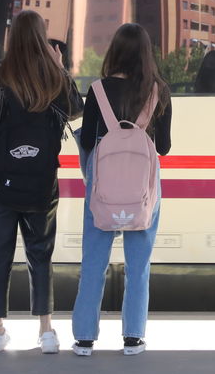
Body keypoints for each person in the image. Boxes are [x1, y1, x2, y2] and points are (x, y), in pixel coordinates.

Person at [0, 12, 83, 354]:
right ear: (41, 37)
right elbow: (77, 111)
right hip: (41, 181)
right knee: (41, 254)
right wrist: (60, 67)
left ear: (12, 37)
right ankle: (46, 332)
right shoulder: (53, 74)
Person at [71, 24, 173, 357]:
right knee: (138, 266)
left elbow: (87, 142)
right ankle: (133, 337)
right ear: (146, 53)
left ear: (114, 51)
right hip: (143, 189)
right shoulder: (159, 91)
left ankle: (85, 338)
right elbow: (165, 148)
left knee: (93, 264)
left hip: (103, 186)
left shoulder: (97, 90)